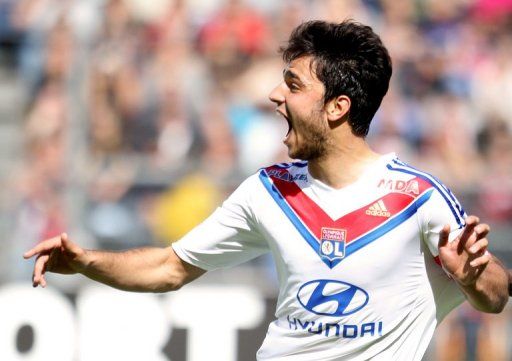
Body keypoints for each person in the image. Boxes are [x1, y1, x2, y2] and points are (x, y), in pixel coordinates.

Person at [24, 20, 509, 360]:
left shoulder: (418, 197)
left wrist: (471, 276)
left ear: (337, 107)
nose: (276, 95)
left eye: (293, 85)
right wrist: (88, 261)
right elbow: (170, 268)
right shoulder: (268, 189)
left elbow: (496, 295)